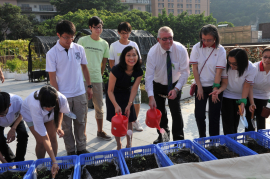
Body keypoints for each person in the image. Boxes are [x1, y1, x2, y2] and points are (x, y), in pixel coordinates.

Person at [46, 20, 93, 155]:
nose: (69, 40)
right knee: (66, 127)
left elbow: (84, 68)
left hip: (79, 93)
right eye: (66, 37)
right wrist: (58, 97)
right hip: (63, 96)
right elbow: (52, 78)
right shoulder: (52, 53)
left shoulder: (79, 49)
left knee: (81, 122)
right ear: (58, 35)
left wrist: (89, 86)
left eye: (72, 37)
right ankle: (71, 151)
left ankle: (82, 148)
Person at [145, 26, 189, 144]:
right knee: (160, 113)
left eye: (170, 38)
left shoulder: (180, 49)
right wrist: (150, 97)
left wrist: (176, 89)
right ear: (158, 39)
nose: (168, 41)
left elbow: (185, 72)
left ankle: (179, 138)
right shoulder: (153, 53)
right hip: (158, 84)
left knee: (176, 111)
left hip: (175, 84)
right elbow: (148, 77)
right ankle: (163, 136)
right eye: (164, 39)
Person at [21, 86, 69, 177]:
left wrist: (59, 126)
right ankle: (41, 166)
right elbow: (45, 137)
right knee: (40, 141)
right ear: (42, 103)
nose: (49, 109)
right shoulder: (34, 105)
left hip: (49, 116)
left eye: (52, 106)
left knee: (53, 137)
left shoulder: (61, 98)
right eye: (46, 107)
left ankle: (53, 164)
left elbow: (60, 111)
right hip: (31, 115)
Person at [77, 16, 112, 141]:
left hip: (97, 79)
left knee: (99, 107)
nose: (98, 29)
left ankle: (100, 131)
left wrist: (100, 74)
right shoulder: (82, 40)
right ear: (90, 28)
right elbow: (77, 59)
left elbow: (104, 63)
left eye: (100, 27)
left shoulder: (104, 43)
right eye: (95, 27)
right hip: (82, 79)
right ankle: (83, 133)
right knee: (83, 107)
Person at [190, 24, 226, 138]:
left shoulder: (220, 50)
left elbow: (219, 72)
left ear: (215, 37)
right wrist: (199, 87)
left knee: (214, 115)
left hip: (214, 85)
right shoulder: (196, 47)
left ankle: (214, 141)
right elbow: (194, 68)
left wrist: (215, 89)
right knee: (199, 115)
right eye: (203, 39)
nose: (205, 42)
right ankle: (202, 137)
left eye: (209, 40)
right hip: (200, 85)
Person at [210, 48, 257, 135]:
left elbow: (247, 87)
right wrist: (219, 90)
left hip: (240, 96)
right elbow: (224, 83)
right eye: (230, 63)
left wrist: (243, 103)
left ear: (242, 62)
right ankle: (229, 143)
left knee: (236, 121)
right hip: (227, 94)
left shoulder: (251, 68)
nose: (231, 66)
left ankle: (234, 142)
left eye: (234, 64)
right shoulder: (225, 65)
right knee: (227, 121)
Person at [109, 22, 143, 132]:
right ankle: (122, 121)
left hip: (132, 78)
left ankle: (134, 120)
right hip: (119, 80)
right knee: (121, 103)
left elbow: (139, 59)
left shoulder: (134, 44)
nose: (125, 35)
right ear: (118, 33)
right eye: (123, 33)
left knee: (136, 101)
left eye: (127, 33)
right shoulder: (114, 45)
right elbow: (111, 63)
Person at [106, 46, 143, 150]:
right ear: (123, 57)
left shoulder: (138, 71)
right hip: (113, 94)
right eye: (128, 55)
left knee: (129, 119)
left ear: (137, 56)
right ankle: (119, 145)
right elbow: (110, 90)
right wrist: (116, 105)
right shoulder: (116, 69)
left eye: (134, 55)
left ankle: (129, 144)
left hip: (127, 93)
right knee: (117, 120)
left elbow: (134, 89)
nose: (132, 58)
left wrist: (129, 104)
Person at [245, 46, 270, 131]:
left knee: (261, 119)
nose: (267, 60)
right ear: (261, 56)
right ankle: (248, 140)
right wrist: (252, 103)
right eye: (265, 57)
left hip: (264, 96)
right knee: (249, 119)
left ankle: (260, 141)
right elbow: (249, 87)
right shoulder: (254, 68)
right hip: (251, 95)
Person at [0, 92, 28, 163]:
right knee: (0, 140)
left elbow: (22, 114)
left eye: (3, 113)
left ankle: (20, 161)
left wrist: (13, 128)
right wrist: (4, 162)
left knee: (23, 134)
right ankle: (10, 159)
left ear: (9, 105)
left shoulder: (17, 100)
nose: (1, 116)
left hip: (15, 119)